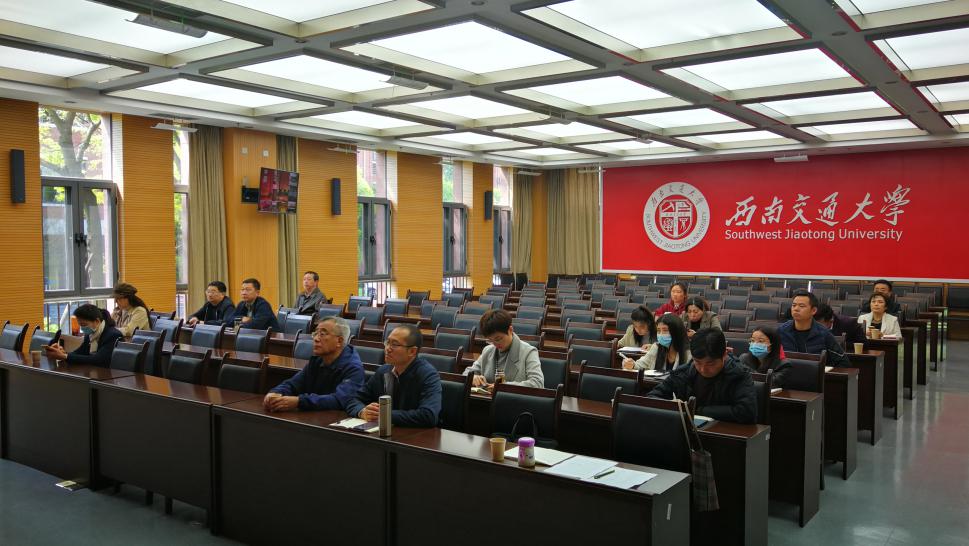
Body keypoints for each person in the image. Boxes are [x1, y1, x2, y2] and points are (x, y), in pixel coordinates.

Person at [647, 328, 757, 424]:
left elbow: (747, 412)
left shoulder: (739, 374)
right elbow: (652, 397)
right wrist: (672, 405)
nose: (703, 369)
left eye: (710, 363)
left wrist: (696, 410)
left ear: (724, 355)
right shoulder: (684, 372)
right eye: (698, 362)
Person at [345, 324, 441, 428]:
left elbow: (428, 415)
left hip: (415, 435)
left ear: (412, 351)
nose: (387, 348)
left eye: (394, 344)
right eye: (387, 342)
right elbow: (354, 399)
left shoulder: (427, 374)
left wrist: (384, 414)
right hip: (383, 431)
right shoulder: (383, 371)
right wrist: (363, 411)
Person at [263, 317, 364, 412]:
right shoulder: (317, 361)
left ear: (339, 341)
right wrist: (276, 392)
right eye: (315, 333)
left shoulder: (353, 368)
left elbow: (339, 400)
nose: (316, 338)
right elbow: (293, 383)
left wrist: (299, 402)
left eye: (322, 334)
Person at [463, 310, 544, 389]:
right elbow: (467, 373)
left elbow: (537, 383)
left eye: (498, 339)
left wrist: (504, 387)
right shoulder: (488, 350)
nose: (495, 344)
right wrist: (473, 377)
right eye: (490, 340)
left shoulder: (528, 352)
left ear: (510, 330)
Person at [778, 290, 849, 367]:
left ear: (813, 310)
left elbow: (843, 362)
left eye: (801, 306)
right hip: (787, 373)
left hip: (815, 374)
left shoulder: (824, 334)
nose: (796, 309)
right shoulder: (781, 331)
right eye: (794, 305)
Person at [43, 304, 124, 368]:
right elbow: (81, 352)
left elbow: (98, 359)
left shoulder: (113, 335)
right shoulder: (91, 334)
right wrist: (63, 353)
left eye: (84, 324)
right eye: (80, 325)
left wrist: (65, 356)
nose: (82, 328)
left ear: (97, 321)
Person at [622, 313, 691, 372]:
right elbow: (640, 364)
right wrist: (632, 364)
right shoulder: (656, 347)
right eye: (658, 330)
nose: (661, 334)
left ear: (676, 332)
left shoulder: (689, 353)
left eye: (665, 330)